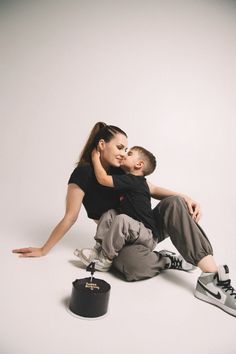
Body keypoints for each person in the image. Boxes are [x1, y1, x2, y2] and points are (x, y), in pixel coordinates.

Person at [12, 122, 236, 317]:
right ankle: (166, 260)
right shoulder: (82, 175)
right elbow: (70, 217)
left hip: (146, 229)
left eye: (126, 149)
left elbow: (154, 188)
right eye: (120, 147)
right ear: (101, 145)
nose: (123, 153)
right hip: (119, 239)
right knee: (131, 268)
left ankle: (211, 278)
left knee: (175, 203)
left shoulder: (123, 173)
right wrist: (43, 250)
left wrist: (187, 197)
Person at [77, 146, 195, 272]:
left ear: (139, 164)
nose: (124, 155)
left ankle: (105, 259)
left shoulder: (134, 180)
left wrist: (95, 158)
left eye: (129, 154)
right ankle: (98, 248)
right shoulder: (129, 179)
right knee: (110, 213)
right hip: (134, 230)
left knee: (121, 219)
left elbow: (103, 179)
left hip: (148, 235)